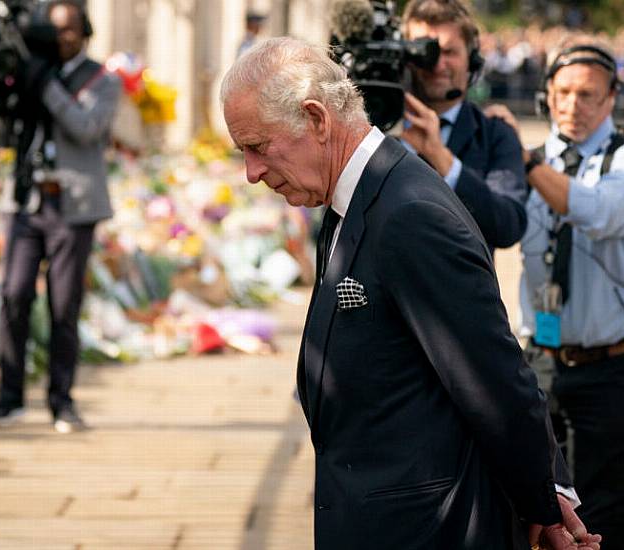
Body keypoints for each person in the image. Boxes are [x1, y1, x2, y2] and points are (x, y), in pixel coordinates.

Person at [221, 36, 600, 550]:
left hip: (424, 529)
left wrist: (543, 501)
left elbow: (493, 376)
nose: (251, 172)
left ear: (316, 118)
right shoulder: (353, 196)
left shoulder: (407, 214)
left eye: (257, 146)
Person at [488, 38, 624, 550]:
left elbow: (597, 210)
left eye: (589, 94)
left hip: (614, 370)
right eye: (563, 92)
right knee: (539, 516)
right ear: (547, 93)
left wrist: (521, 162)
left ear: (612, 97)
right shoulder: (528, 162)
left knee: (613, 514)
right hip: (541, 365)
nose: (573, 106)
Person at [0, 0, 121, 433]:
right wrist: (10, 79)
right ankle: (9, 399)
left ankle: (61, 402)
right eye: (52, 30)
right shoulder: (34, 70)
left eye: (68, 30)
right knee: (13, 295)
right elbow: (2, 119)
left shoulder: (103, 79)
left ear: (85, 31)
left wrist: (44, 86)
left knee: (64, 306)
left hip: (73, 208)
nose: (60, 38)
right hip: (28, 202)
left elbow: (85, 127)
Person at [400, 0, 527, 255]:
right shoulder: (370, 127)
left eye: (449, 52)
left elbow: (508, 225)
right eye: (424, 51)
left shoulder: (494, 133)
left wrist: (443, 160)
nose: (437, 65)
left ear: (473, 60)